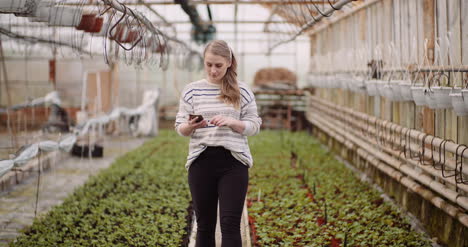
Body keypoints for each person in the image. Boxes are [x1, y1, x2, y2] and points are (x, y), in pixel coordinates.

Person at [175, 40, 262, 247]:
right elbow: (180, 128)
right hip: (201, 163)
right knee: (204, 225)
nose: (213, 71)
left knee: (230, 225)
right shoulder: (192, 91)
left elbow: (255, 124)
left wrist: (234, 123)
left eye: (218, 65)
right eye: (209, 64)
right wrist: (191, 126)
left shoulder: (243, 91)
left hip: (233, 163)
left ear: (229, 63)